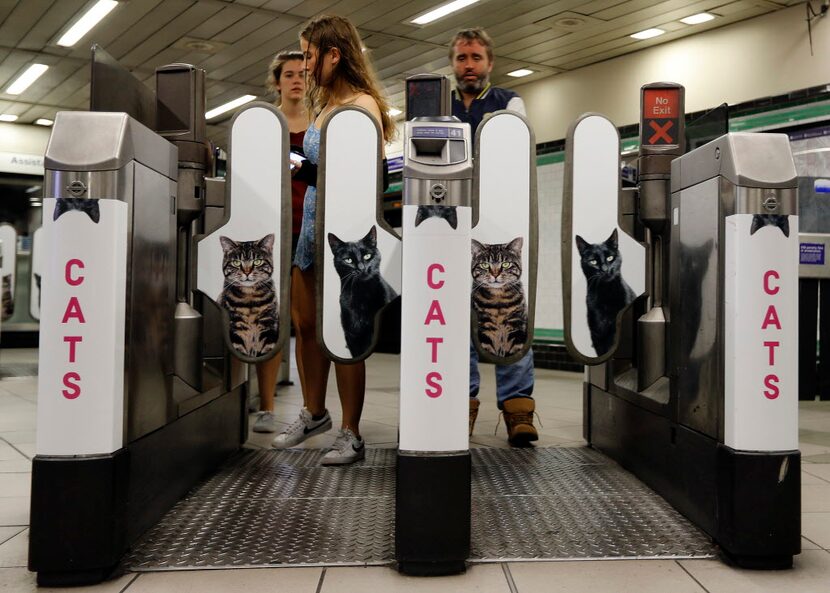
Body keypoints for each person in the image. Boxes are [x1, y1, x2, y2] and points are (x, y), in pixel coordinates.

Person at [271, 14, 394, 465]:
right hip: (311, 227)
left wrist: (304, 168)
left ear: (334, 54)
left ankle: (351, 432)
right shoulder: (324, 109)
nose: (305, 65)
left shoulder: (362, 107)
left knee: (347, 329)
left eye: (309, 54)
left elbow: (365, 175)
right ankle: (314, 411)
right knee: (305, 325)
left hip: (347, 232)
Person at [450, 27, 538, 446]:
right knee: (458, 314)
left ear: (490, 63)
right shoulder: (438, 104)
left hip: (501, 224)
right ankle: (461, 406)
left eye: (475, 58)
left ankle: (518, 411)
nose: (468, 65)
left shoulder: (508, 103)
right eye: (462, 58)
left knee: (510, 311)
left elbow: (514, 153)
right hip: (452, 225)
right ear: (453, 64)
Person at [250, 50, 310, 434]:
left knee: (306, 321)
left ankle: (311, 406)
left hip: (310, 227)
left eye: (303, 73)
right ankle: (267, 406)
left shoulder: (321, 123)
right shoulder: (264, 125)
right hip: (271, 228)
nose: (296, 80)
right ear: (277, 81)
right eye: (288, 74)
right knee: (267, 318)